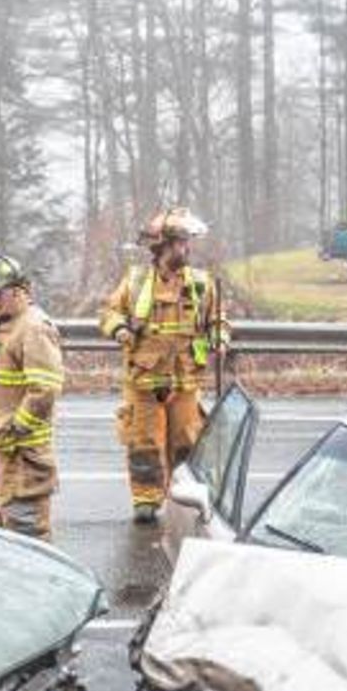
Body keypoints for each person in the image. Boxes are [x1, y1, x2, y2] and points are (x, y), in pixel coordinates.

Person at [99, 206, 231, 524]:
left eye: (187, 242)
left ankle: (183, 498)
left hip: (185, 382)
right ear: (163, 246)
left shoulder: (201, 284)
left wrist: (220, 338)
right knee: (143, 444)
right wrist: (119, 329)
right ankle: (146, 500)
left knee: (186, 444)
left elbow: (217, 321)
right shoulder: (135, 282)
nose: (187, 249)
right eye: (181, 243)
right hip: (144, 382)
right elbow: (108, 313)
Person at [0, 253, 61, 539]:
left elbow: (44, 390)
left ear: (19, 291)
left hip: (22, 455)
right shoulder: (1, 326)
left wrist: (16, 428)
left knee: (26, 533)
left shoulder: (33, 327)